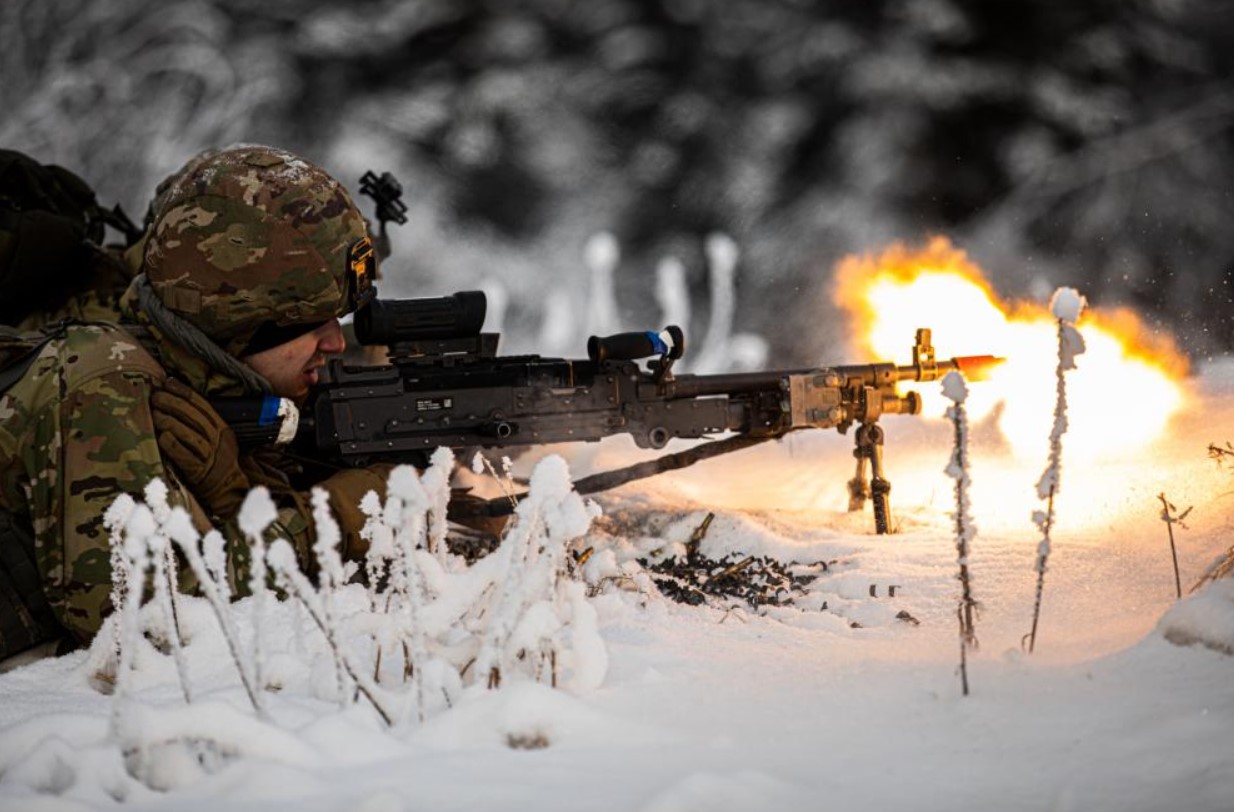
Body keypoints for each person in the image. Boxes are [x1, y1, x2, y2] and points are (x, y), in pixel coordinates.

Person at [0, 145, 392, 657]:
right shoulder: (103, 379)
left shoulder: (209, 377)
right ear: (239, 322)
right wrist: (331, 522)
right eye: (311, 321)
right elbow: (150, 618)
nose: (335, 343)